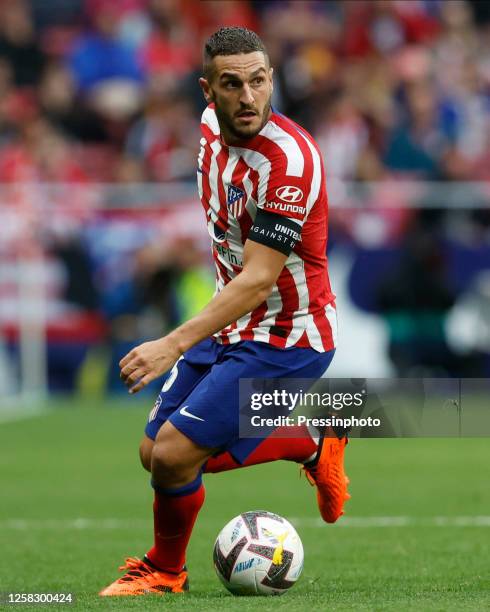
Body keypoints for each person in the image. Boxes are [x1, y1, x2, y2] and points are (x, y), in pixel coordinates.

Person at [100, 26, 349, 597]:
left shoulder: (290, 162)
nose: (248, 96)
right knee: (153, 454)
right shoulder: (211, 129)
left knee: (173, 456)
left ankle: (166, 573)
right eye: (232, 84)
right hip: (230, 321)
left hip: (288, 337)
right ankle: (309, 441)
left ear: (272, 81)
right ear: (207, 90)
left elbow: (260, 279)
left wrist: (173, 342)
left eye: (259, 81)